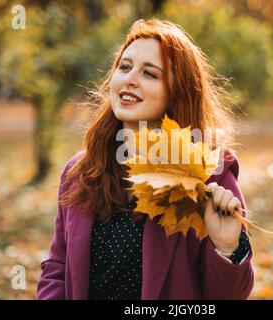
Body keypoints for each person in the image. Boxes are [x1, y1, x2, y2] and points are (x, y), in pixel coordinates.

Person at [37, 18, 254, 300]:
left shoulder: (209, 175)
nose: (130, 78)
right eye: (124, 67)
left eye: (149, 73)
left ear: (177, 93)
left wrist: (227, 247)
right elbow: (58, 266)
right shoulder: (80, 171)